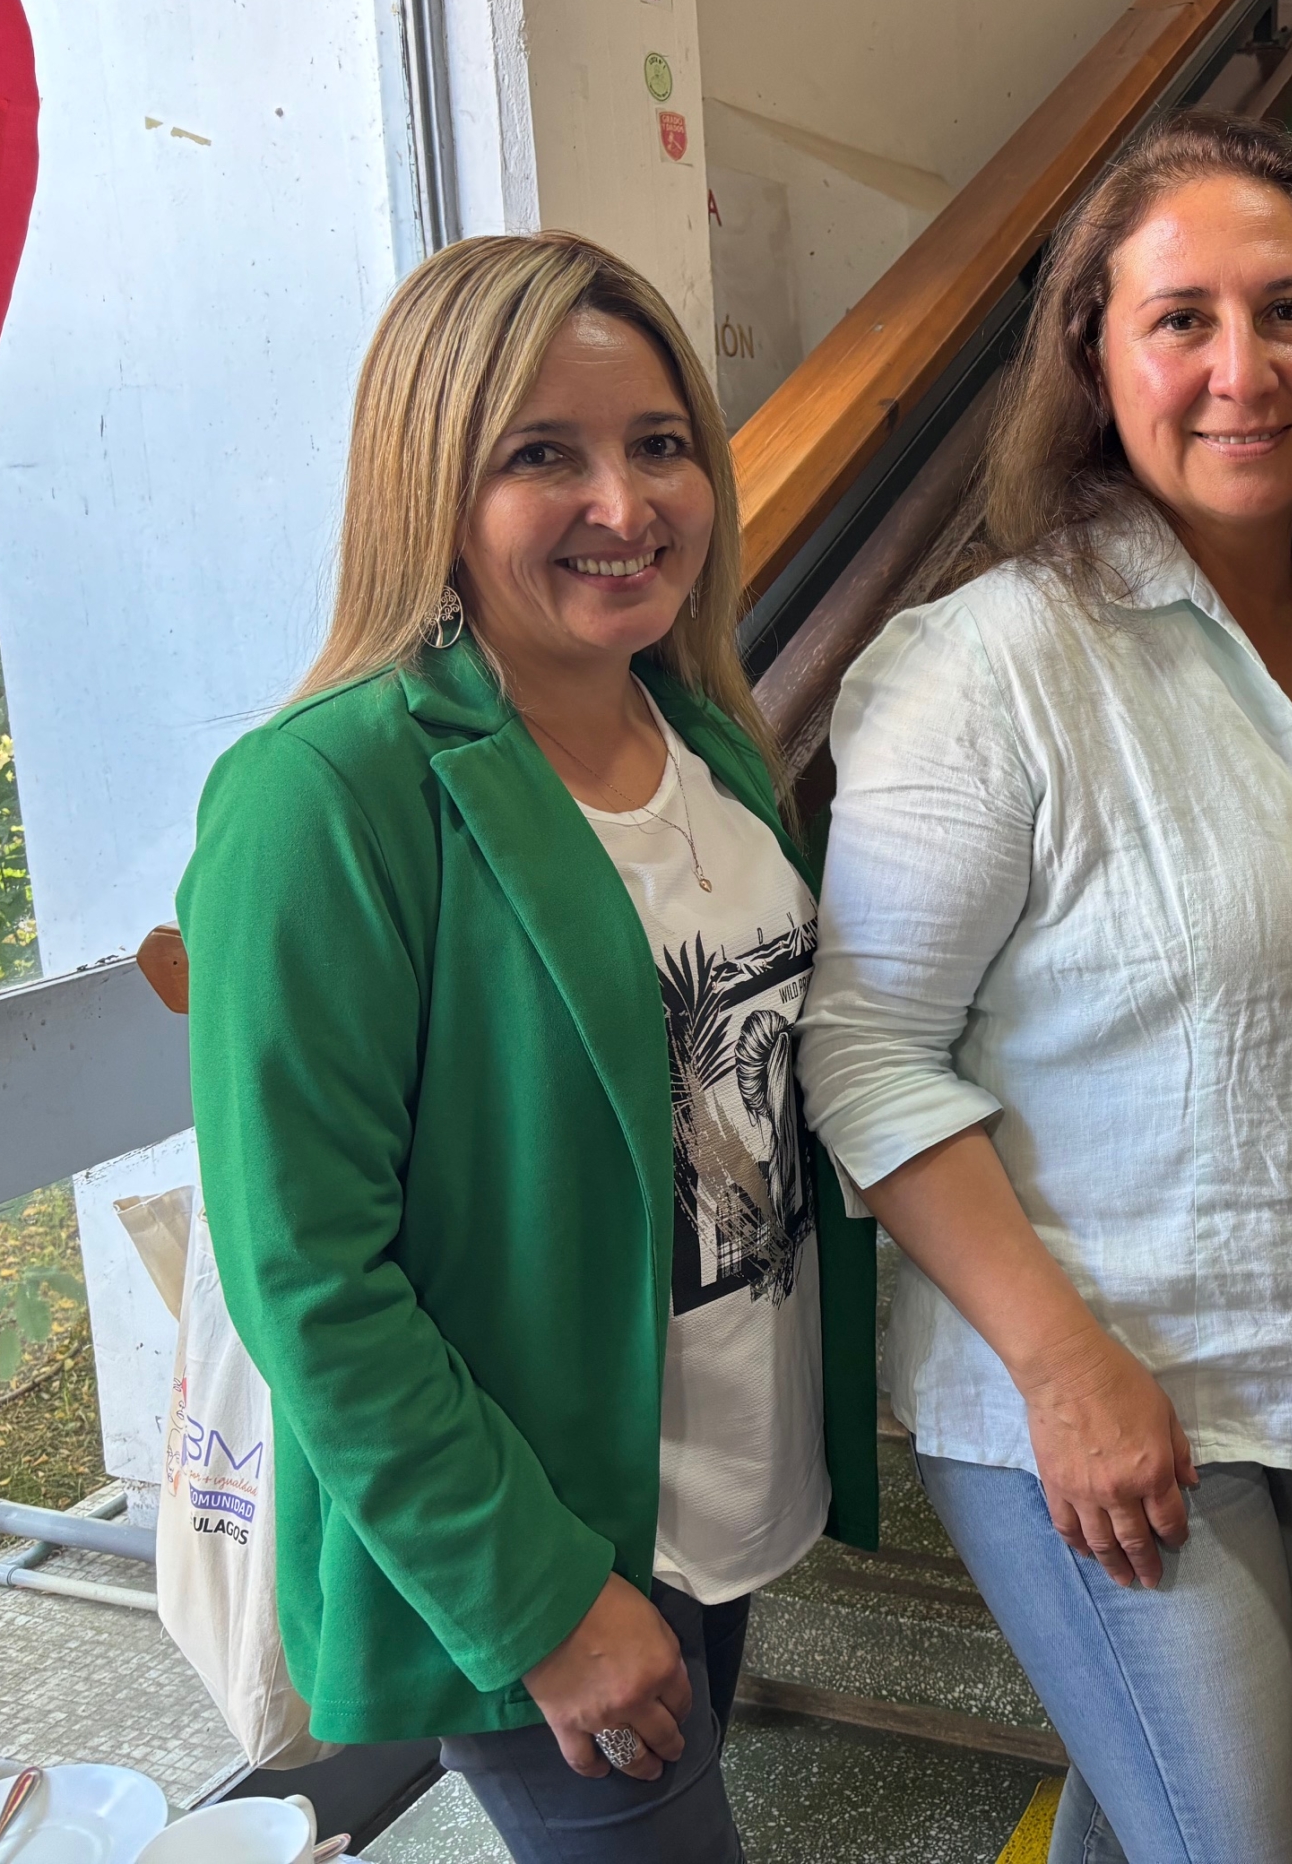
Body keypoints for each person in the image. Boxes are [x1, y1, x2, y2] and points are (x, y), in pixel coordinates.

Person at [795, 109, 1292, 1864]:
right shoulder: (990, 663)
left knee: (1141, 1819)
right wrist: (1065, 1367)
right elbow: (863, 1054)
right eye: (1182, 320)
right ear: (1095, 359)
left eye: (1290, 311)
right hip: (1082, 1395)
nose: (1244, 370)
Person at [178, 232, 880, 1862]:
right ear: (430, 484)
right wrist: (544, 1600)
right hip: (541, 1535)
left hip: (716, 1490)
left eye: (660, 444)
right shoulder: (325, 795)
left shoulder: (704, 735)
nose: (625, 505)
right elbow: (310, 1278)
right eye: (542, 456)